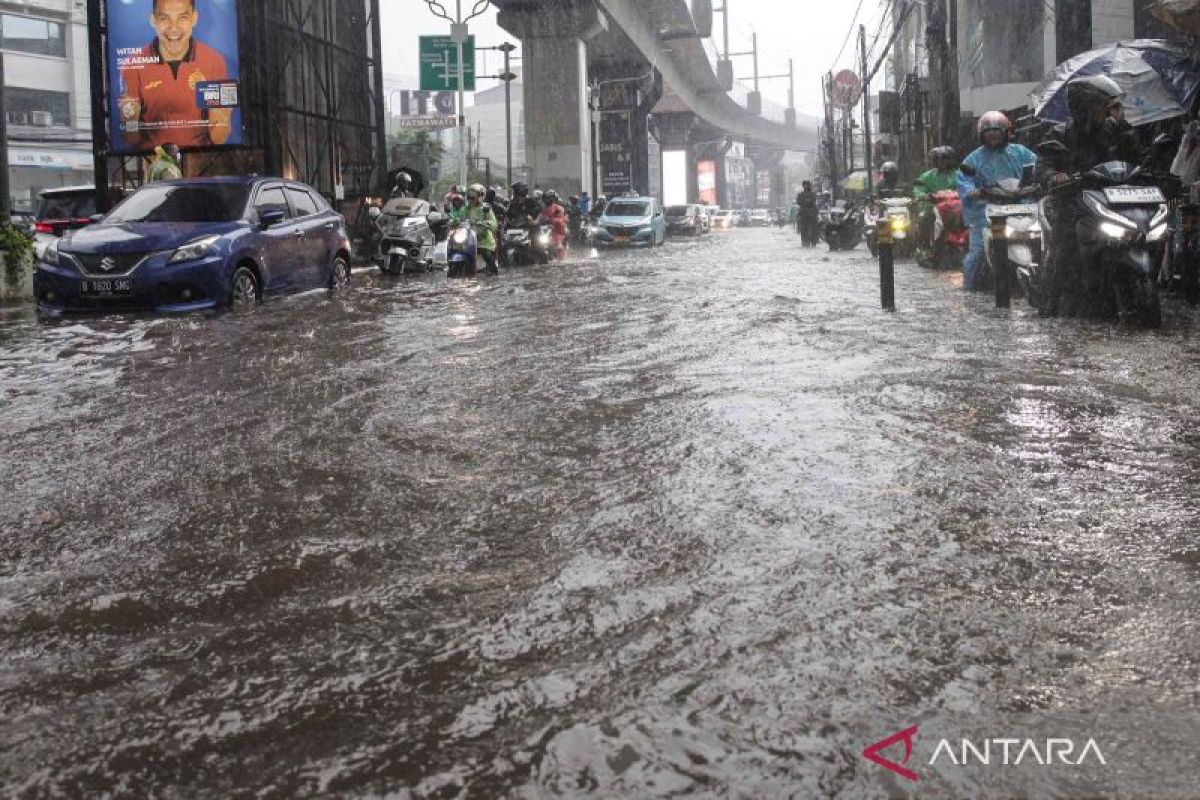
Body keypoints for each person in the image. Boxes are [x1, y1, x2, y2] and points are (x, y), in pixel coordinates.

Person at [1039, 76, 1142, 315]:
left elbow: (1137, 160)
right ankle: (1048, 307)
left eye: (1109, 106)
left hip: (1111, 202)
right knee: (1062, 249)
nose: (1105, 111)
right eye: (1100, 105)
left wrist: (1125, 129)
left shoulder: (1115, 131)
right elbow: (1044, 164)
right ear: (1084, 107)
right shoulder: (1060, 133)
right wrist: (1053, 176)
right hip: (1071, 203)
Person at [117, 0, 233, 151]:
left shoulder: (214, 62)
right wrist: (130, 121)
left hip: (201, 164)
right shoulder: (132, 66)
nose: (173, 28)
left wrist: (222, 120)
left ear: (194, 18)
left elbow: (219, 138)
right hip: (152, 165)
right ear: (153, 20)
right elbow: (130, 139)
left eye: (182, 17)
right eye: (164, 18)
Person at [957, 111, 1037, 291]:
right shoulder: (973, 159)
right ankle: (970, 289)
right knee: (976, 255)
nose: (992, 135)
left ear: (1006, 133)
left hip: (1022, 206)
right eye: (988, 132)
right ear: (982, 135)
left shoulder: (1021, 152)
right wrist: (974, 192)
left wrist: (1042, 180)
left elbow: (1037, 167)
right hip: (987, 211)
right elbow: (964, 180)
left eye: (997, 131)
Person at [913, 147, 960, 250]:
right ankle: (925, 248)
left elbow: (967, 186)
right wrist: (923, 196)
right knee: (923, 218)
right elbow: (918, 188)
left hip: (956, 209)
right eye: (940, 159)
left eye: (946, 158)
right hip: (932, 208)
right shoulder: (927, 176)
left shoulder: (959, 175)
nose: (943, 162)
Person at [449, 184, 499, 275]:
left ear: (480, 196)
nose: (470, 199)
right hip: (468, 240)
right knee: (454, 248)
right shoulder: (466, 208)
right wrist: (453, 220)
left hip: (483, 241)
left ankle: (494, 273)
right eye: (469, 197)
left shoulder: (486, 208)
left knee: (486, 254)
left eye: (473, 197)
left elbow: (494, 223)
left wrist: (487, 223)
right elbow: (458, 216)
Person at [538, 189, 568, 259]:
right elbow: (539, 217)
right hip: (545, 229)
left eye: (549, 198)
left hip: (557, 229)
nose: (547, 200)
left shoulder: (558, 208)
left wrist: (554, 220)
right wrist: (535, 221)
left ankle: (561, 258)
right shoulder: (542, 208)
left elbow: (561, 217)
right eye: (546, 198)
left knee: (559, 245)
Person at [797, 181, 820, 247]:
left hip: (812, 214)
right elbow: (798, 201)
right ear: (803, 186)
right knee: (803, 229)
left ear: (809, 185)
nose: (806, 186)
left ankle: (813, 241)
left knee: (813, 228)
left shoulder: (812, 194)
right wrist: (805, 202)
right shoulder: (801, 194)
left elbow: (813, 200)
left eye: (807, 185)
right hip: (803, 214)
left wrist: (806, 201)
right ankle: (804, 241)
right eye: (804, 185)